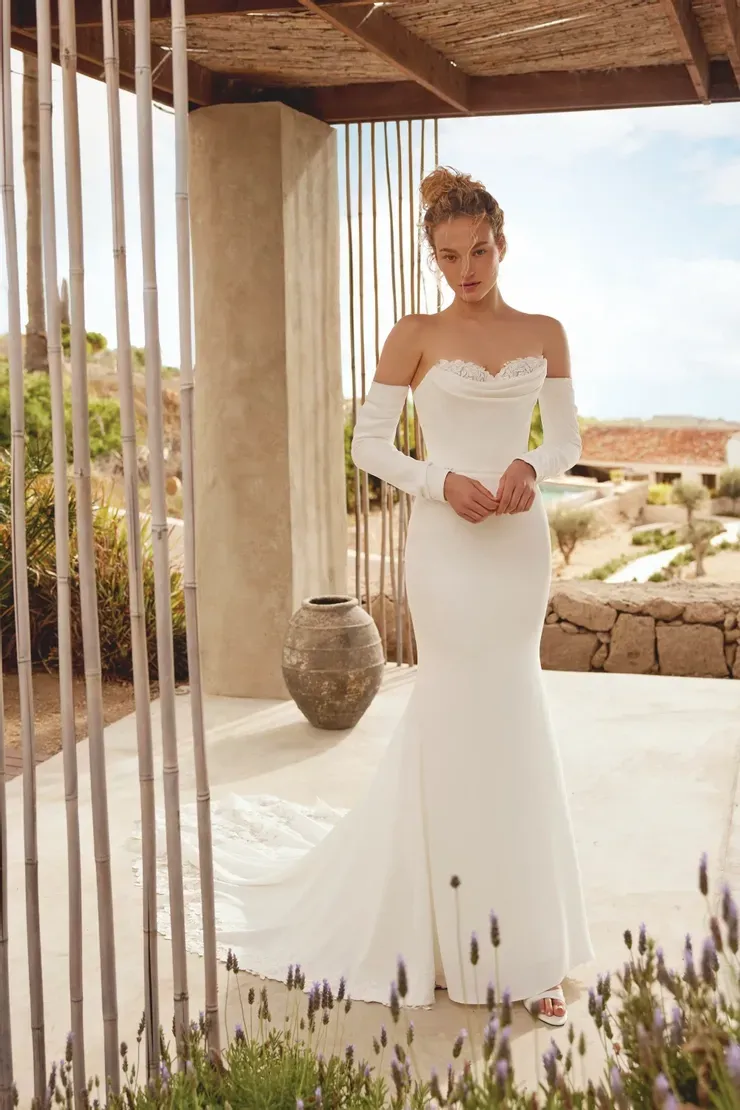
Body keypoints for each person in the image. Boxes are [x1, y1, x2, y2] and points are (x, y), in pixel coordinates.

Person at [140, 166, 593, 1029]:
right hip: (448, 545)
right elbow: (369, 443)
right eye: (451, 255)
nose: (468, 268)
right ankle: (437, 933)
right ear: (433, 256)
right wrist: (440, 480)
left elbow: (568, 434)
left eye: (481, 250)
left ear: (504, 243)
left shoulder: (546, 330)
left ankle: (531, 949)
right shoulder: (414, 334)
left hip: (516, 550)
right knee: (456, 713)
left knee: (516, 710)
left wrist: (532, 465)